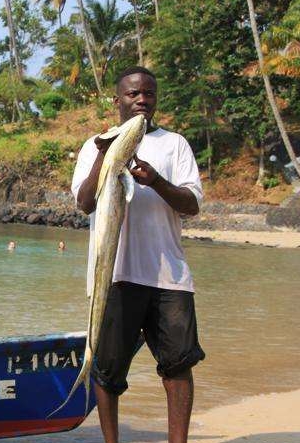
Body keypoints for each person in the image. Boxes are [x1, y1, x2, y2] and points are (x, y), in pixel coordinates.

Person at [71, 66, 205, 443]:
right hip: (114, 277)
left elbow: (192, 204)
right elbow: (85, 202)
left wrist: (156, 181)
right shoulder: (95, 145)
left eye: (149, 93)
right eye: (133, 94)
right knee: (108, 371)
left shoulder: (174, 144)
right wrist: (104, 156)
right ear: (118, 100)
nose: (142, 100)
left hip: (169, 278)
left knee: (178, 366)